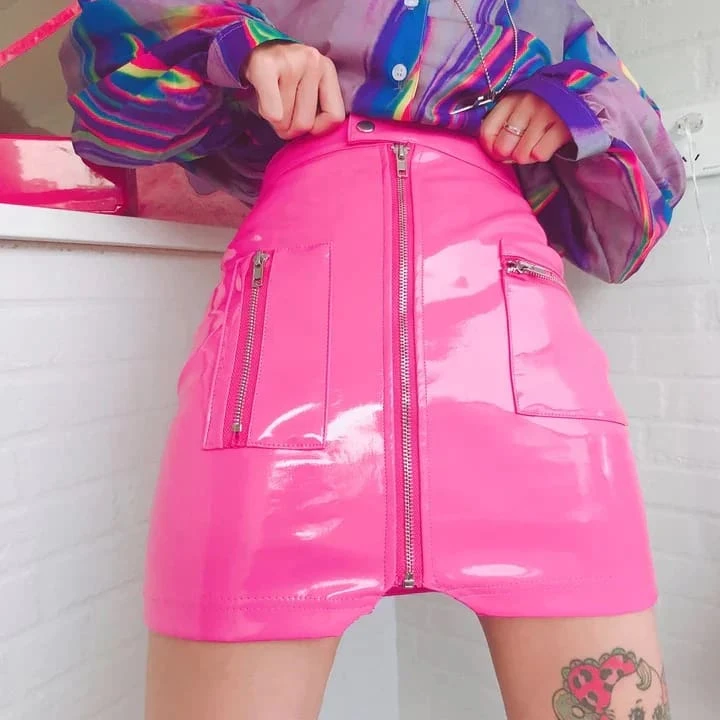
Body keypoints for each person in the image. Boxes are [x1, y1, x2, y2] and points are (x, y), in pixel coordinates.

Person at [60, 2, 685, 718]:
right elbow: (105, 108)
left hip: (525, 378)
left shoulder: (538, 11)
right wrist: (238, 49)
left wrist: (570, 109)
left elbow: (635, 222)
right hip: (281, 369)